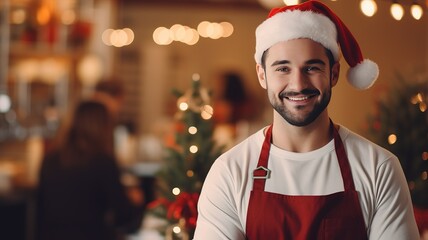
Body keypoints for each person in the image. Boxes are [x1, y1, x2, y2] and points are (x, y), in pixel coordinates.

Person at [194, 1, 419, 239]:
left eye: (312, 68)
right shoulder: (230, 171)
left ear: (333, 74)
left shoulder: (379, 168)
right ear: (262, 75)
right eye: (283, 69)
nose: (299, 84)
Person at [36, 100, 144, 240]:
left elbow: (40, 210)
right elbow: (123, 217)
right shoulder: (102, 162)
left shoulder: (51, 159)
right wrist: (136, 201)